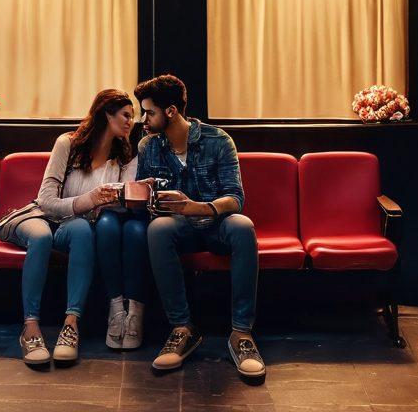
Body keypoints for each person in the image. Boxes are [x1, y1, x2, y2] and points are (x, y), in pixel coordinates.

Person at [132, 74, 266, 379]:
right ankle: (182, 328)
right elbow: (145, 196)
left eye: (149, 111)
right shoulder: (148, 147)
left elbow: (236, 197)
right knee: (157, 229)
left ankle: (241, 334)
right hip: (181, 229)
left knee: (243, 226)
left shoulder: (218, 140)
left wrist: (197, 207)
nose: (144, 118)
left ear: (170, 112)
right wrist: (144, 198)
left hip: (217, 224)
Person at [14, 88, 144, 365]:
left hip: (75, 227)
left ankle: (71, 325)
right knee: (40, 238)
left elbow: (119, 205)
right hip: (41, 218)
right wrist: (92, 199)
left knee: (83, 230)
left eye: (132, 117)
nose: (130, 122)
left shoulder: (123, 156)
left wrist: (122, 197)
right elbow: (46, 201)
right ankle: (31, 327)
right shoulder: (68, 144)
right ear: (106, 114)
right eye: (125, 115)